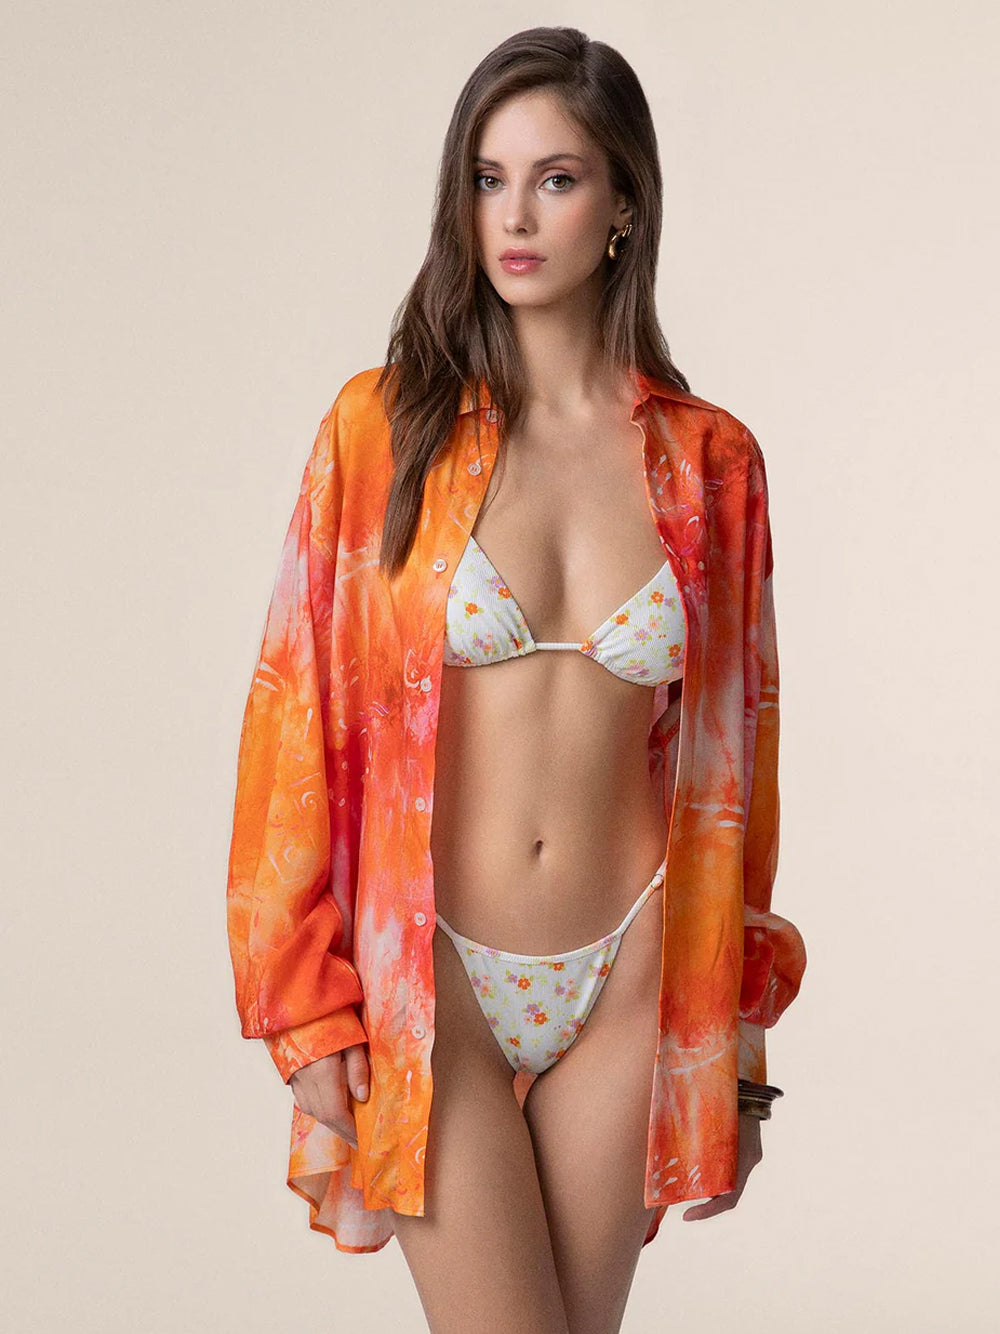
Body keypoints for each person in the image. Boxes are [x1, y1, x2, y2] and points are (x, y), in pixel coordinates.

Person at [226, 25, 807, 1334]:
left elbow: (739, 764)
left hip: (636, 971)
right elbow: (292, 724)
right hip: (433, 982)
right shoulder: (384, 431)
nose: (516, 216)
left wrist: (739, 1047)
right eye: (488, 180)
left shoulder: (711, 463)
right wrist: (307, 1014)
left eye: (556, 178)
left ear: (624, 206)